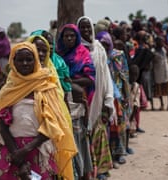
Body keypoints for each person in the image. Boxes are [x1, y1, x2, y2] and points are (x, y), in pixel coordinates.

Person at [0, 42, 77, 180]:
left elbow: (52, 125)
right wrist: (17, 156)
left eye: (29, 59)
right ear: (13, 62)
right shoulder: (8, 90)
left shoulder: (46, 86)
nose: (25, 63)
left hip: (38, 149)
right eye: (20, 60)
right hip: (13, 149)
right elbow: (3, 126)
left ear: (36, 61)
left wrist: (25, 150)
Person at [77, 16, 115, 180]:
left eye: (87, 27)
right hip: (83, 100)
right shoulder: (76, 50)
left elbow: (106, 75)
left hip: (98, 98)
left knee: (98, 134)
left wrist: (108, 99)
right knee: (84, 136)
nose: (85, 31)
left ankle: (99, 170)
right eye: (82, 28)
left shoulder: (98, 48)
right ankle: (88, 171)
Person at [57, 24, 96, 179]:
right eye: (66, 36)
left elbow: (91, 79)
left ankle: (83, 174)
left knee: (80, 141)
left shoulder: (83, 53)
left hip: (79, 101)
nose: (69, 38)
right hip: (62, 102)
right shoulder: (58, 55)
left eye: (72, 36)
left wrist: (70, 82)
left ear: (77, 37)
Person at [96, 31, 131, 167]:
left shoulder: (117, 55)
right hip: (103, 96)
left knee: (120, 125)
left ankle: (120, 152)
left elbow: (125, 75)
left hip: (118, 95)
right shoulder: (97, 56)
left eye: (106, 44)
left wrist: (126, 95)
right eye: (101, 44)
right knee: (107, 127)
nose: (104, 47)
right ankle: (109, 157)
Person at [152, 36, 168, 111]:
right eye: (161, 41)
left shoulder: (164, 50)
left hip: (166, 71)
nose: (163, 43)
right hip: (158, 72)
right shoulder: (153, 51)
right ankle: (162, 105)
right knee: (159, 90)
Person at [128, 64, 145, 137]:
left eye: (136, 75)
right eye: (132, 75)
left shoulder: (137, 86)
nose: (134, 77)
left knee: (130, 126)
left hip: (132, 109)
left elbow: (136, 102)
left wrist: (132, 115)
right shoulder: (126, 84)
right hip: (125, 109)